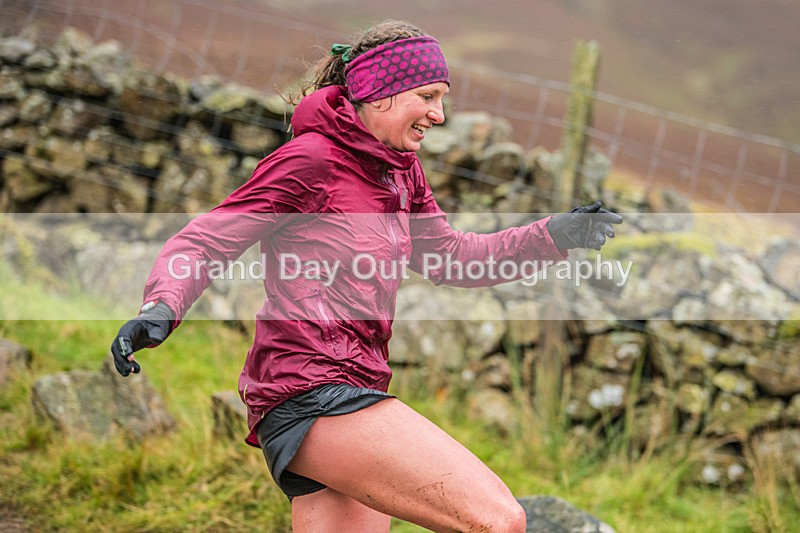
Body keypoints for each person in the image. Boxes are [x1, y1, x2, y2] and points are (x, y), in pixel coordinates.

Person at [110, 20, 622, 532]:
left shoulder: (401, 171)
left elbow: (451, 256)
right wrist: (162, 306)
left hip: (357, 384)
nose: (439, 114)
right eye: (428, 95)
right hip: (308, 389)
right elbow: (208, 240)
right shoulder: (310, 161)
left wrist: (556, 234)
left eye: (442, 98)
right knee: (499, 520)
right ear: (381, 93)